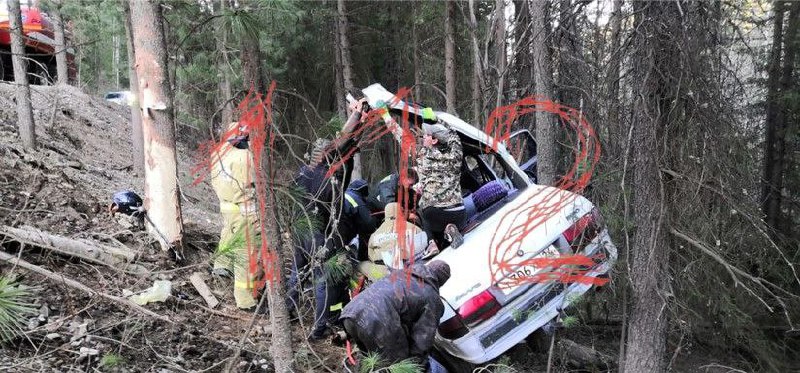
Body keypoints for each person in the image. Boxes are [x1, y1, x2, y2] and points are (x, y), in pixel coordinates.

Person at [340, 261, 451, 368]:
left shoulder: (401, 273)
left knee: (372, 360)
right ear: (441, 281)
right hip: (375, 323)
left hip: (350, 312)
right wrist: (416, 365)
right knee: (398, 365)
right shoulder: (431, 297)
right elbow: (422, 340)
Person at [209, 121, 262, 311]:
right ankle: (246, 300)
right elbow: (251, 184)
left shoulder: (218, 153)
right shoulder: (244, 157)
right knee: (248, 253)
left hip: (226, 205)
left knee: (228, 233)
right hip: (243, 208)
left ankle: (221, 265)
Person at [415, 122, 465, 253]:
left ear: (434, 140)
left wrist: (386, 116)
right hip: (459, 213)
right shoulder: (456, 156)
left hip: (435, 214)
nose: (423, 137)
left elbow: (401, 137)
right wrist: (441, 122)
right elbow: (454, 136)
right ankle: (450, 228)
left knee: (421, 206)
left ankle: (432, 243)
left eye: (426, 135)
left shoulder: (424, 156)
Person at [359, 202, 427, 281]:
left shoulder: (375, 234)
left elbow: (371, 256)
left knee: (361, 265)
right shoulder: (413, 227)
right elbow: (424, 245)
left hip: (383, 275)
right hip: (411, 270)